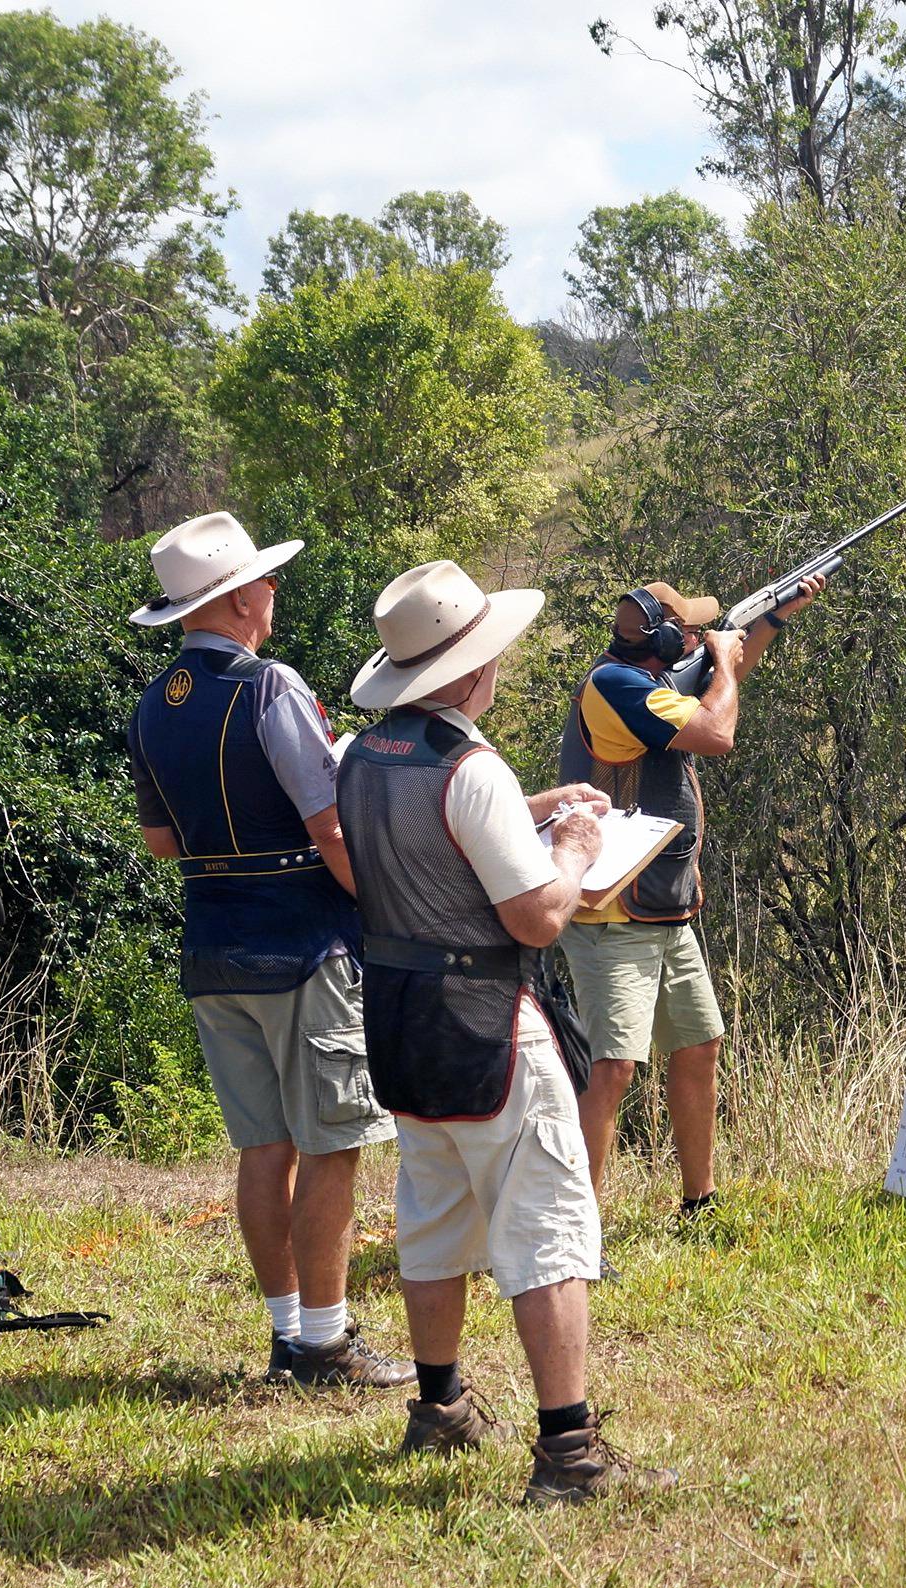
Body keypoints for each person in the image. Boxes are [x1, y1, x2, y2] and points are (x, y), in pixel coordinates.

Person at [339, 559, 672, 1502]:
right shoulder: (470, 765)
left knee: (434, 1213)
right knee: (550, 1228)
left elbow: (413, 844)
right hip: (489, 1019)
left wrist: (528, 815)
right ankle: (569, 1451)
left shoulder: (366, 756)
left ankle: (439, 1407)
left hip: (399, 1014)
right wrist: (567, 846)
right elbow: (536, 919)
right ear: (469, 670)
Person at [125, 512, 411, 1391]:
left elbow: (161, 844)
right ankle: (326, 1345)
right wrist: (391, 904)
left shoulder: (148, 704)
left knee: (264, 1147)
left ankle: (289, 1335)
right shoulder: (269, 686)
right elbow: (328, 822)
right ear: (243, 595)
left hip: (211, 940)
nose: (273, 592)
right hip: (301, 941)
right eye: (269, 581)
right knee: (331, 1143)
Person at [554, 575, 821, 1226]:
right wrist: (725, 661)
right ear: (666, 639)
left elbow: (713, 683)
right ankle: (578, 1231)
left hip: (663, 903)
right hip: (614, 910)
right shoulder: (616, 688)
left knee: (699, 1044)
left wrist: (770, 623)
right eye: (691, 629)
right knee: (613, 1069)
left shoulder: (644, 682)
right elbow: (716, 729)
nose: (701, 635)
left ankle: (700, 1203)